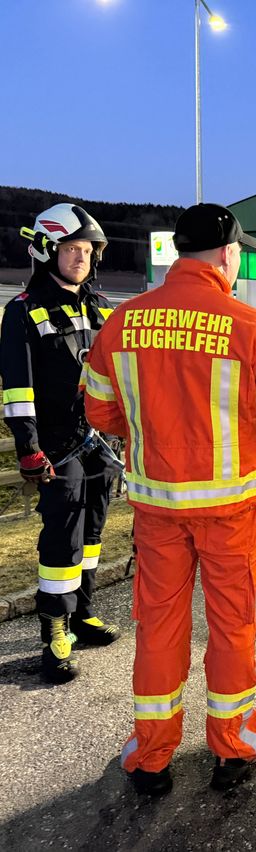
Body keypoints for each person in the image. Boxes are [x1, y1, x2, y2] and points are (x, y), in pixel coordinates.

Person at [83, 203, 256, 794]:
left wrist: (154, 429)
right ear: (229, 254)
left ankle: (152, 754)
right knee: (232, 627)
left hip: (157, 508)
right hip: (229, 507)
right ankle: (232, 747)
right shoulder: (247, 324)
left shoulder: (122, 321)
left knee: (159, 628)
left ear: (179, 253)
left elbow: (100, 410)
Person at [0, 203, 120, 684]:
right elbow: (17, 389)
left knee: (92, 535)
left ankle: (83, 614)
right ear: (48, 250)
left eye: (88, 250)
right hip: (56, 447)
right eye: (72, 249)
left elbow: (119, 375)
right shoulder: (23, 311)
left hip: (101, 444)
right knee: (61, 542)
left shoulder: (100, 305)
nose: (81, 258)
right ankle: (54, 632)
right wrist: (29, 448)